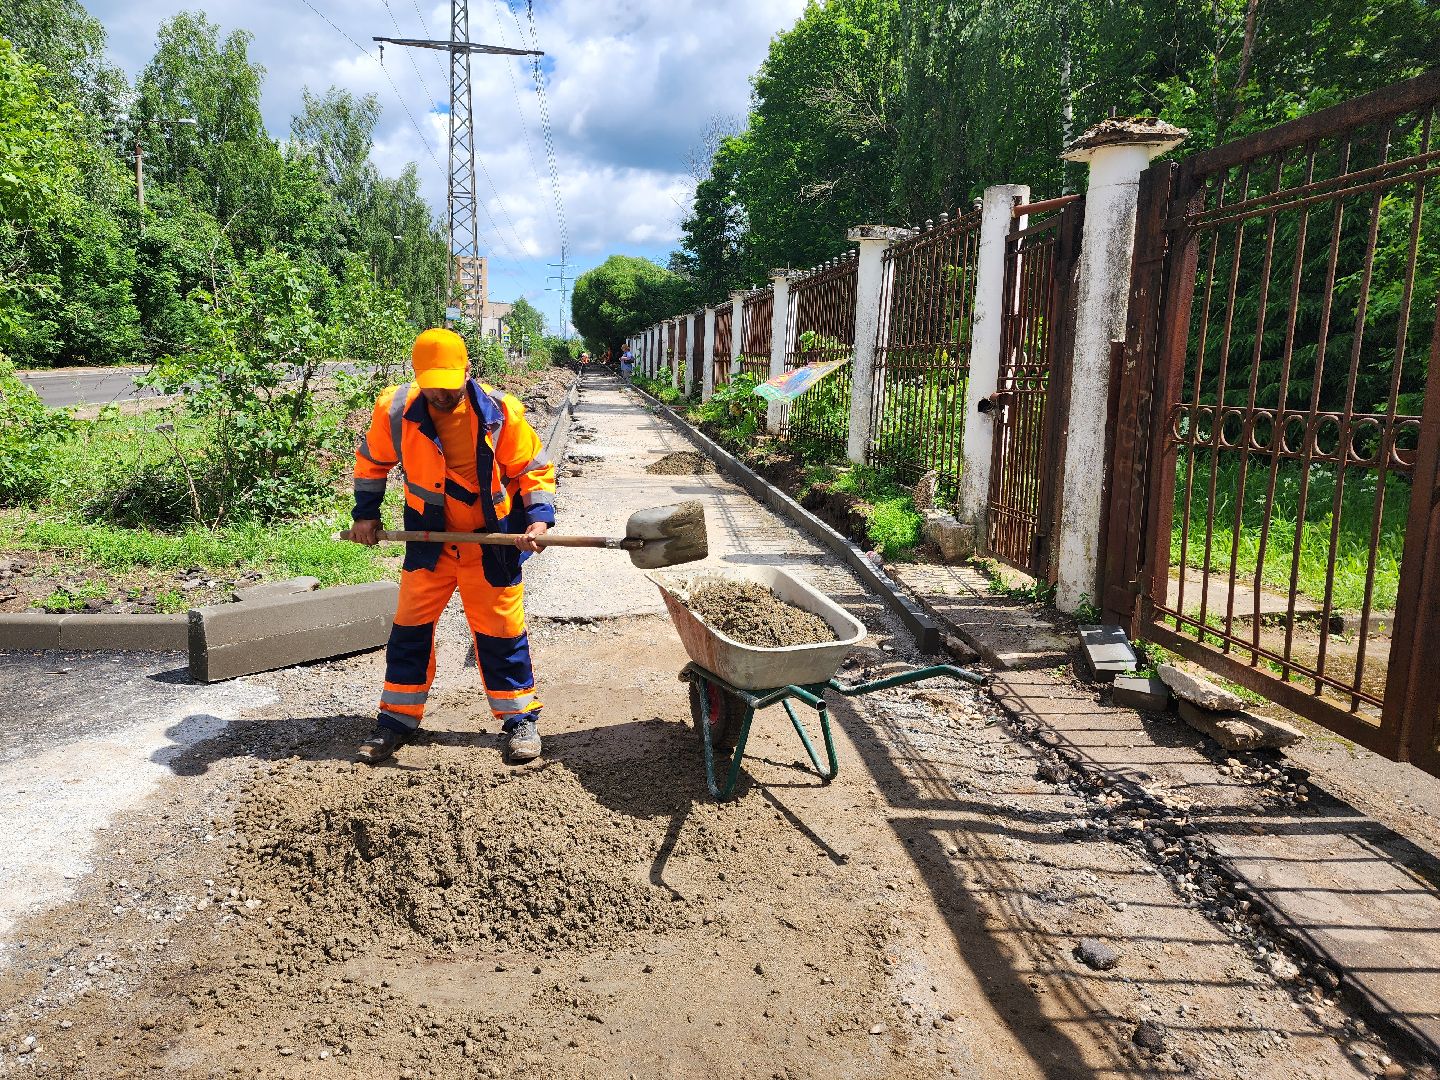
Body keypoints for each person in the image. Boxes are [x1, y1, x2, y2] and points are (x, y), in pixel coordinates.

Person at [348, 328, 557, 765]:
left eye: (449, 384)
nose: (441, 395)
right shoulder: (395, 410)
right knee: (410, 630)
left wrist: (538, 519)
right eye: (432, 386)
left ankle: (520, 719)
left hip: (491, 544)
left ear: (467, 370)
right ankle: (396, 719)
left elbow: (532, 468)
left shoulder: (500, 412)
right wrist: (365, 514)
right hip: (430, 542)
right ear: (417, 376)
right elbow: (372, 462)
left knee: (502, 632)